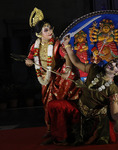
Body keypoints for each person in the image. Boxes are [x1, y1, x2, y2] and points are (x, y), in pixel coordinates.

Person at [46, 36, 118, 145]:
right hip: (79, 108)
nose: (112, 64)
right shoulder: (94, 69)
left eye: (116, 65)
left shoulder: (114, 90)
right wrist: (67, 45)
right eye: (114, 61)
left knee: (102, 139)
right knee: (53, 105)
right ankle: (57, 136)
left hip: (96, 118)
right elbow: (76, 62)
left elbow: (115, 113)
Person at [25, 8, 80, 138]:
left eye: (50, 28)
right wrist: (28, 61)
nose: (50, 31)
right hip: (45, 79)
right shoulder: (35, 45)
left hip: (59, 79)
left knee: (62, 103)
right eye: (46, 30)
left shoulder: (56, 44)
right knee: (47, 105)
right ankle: (50, 130)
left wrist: (67, 70)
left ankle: (69, 128)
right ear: (39, 34)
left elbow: (66, 56)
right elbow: (30, 57)